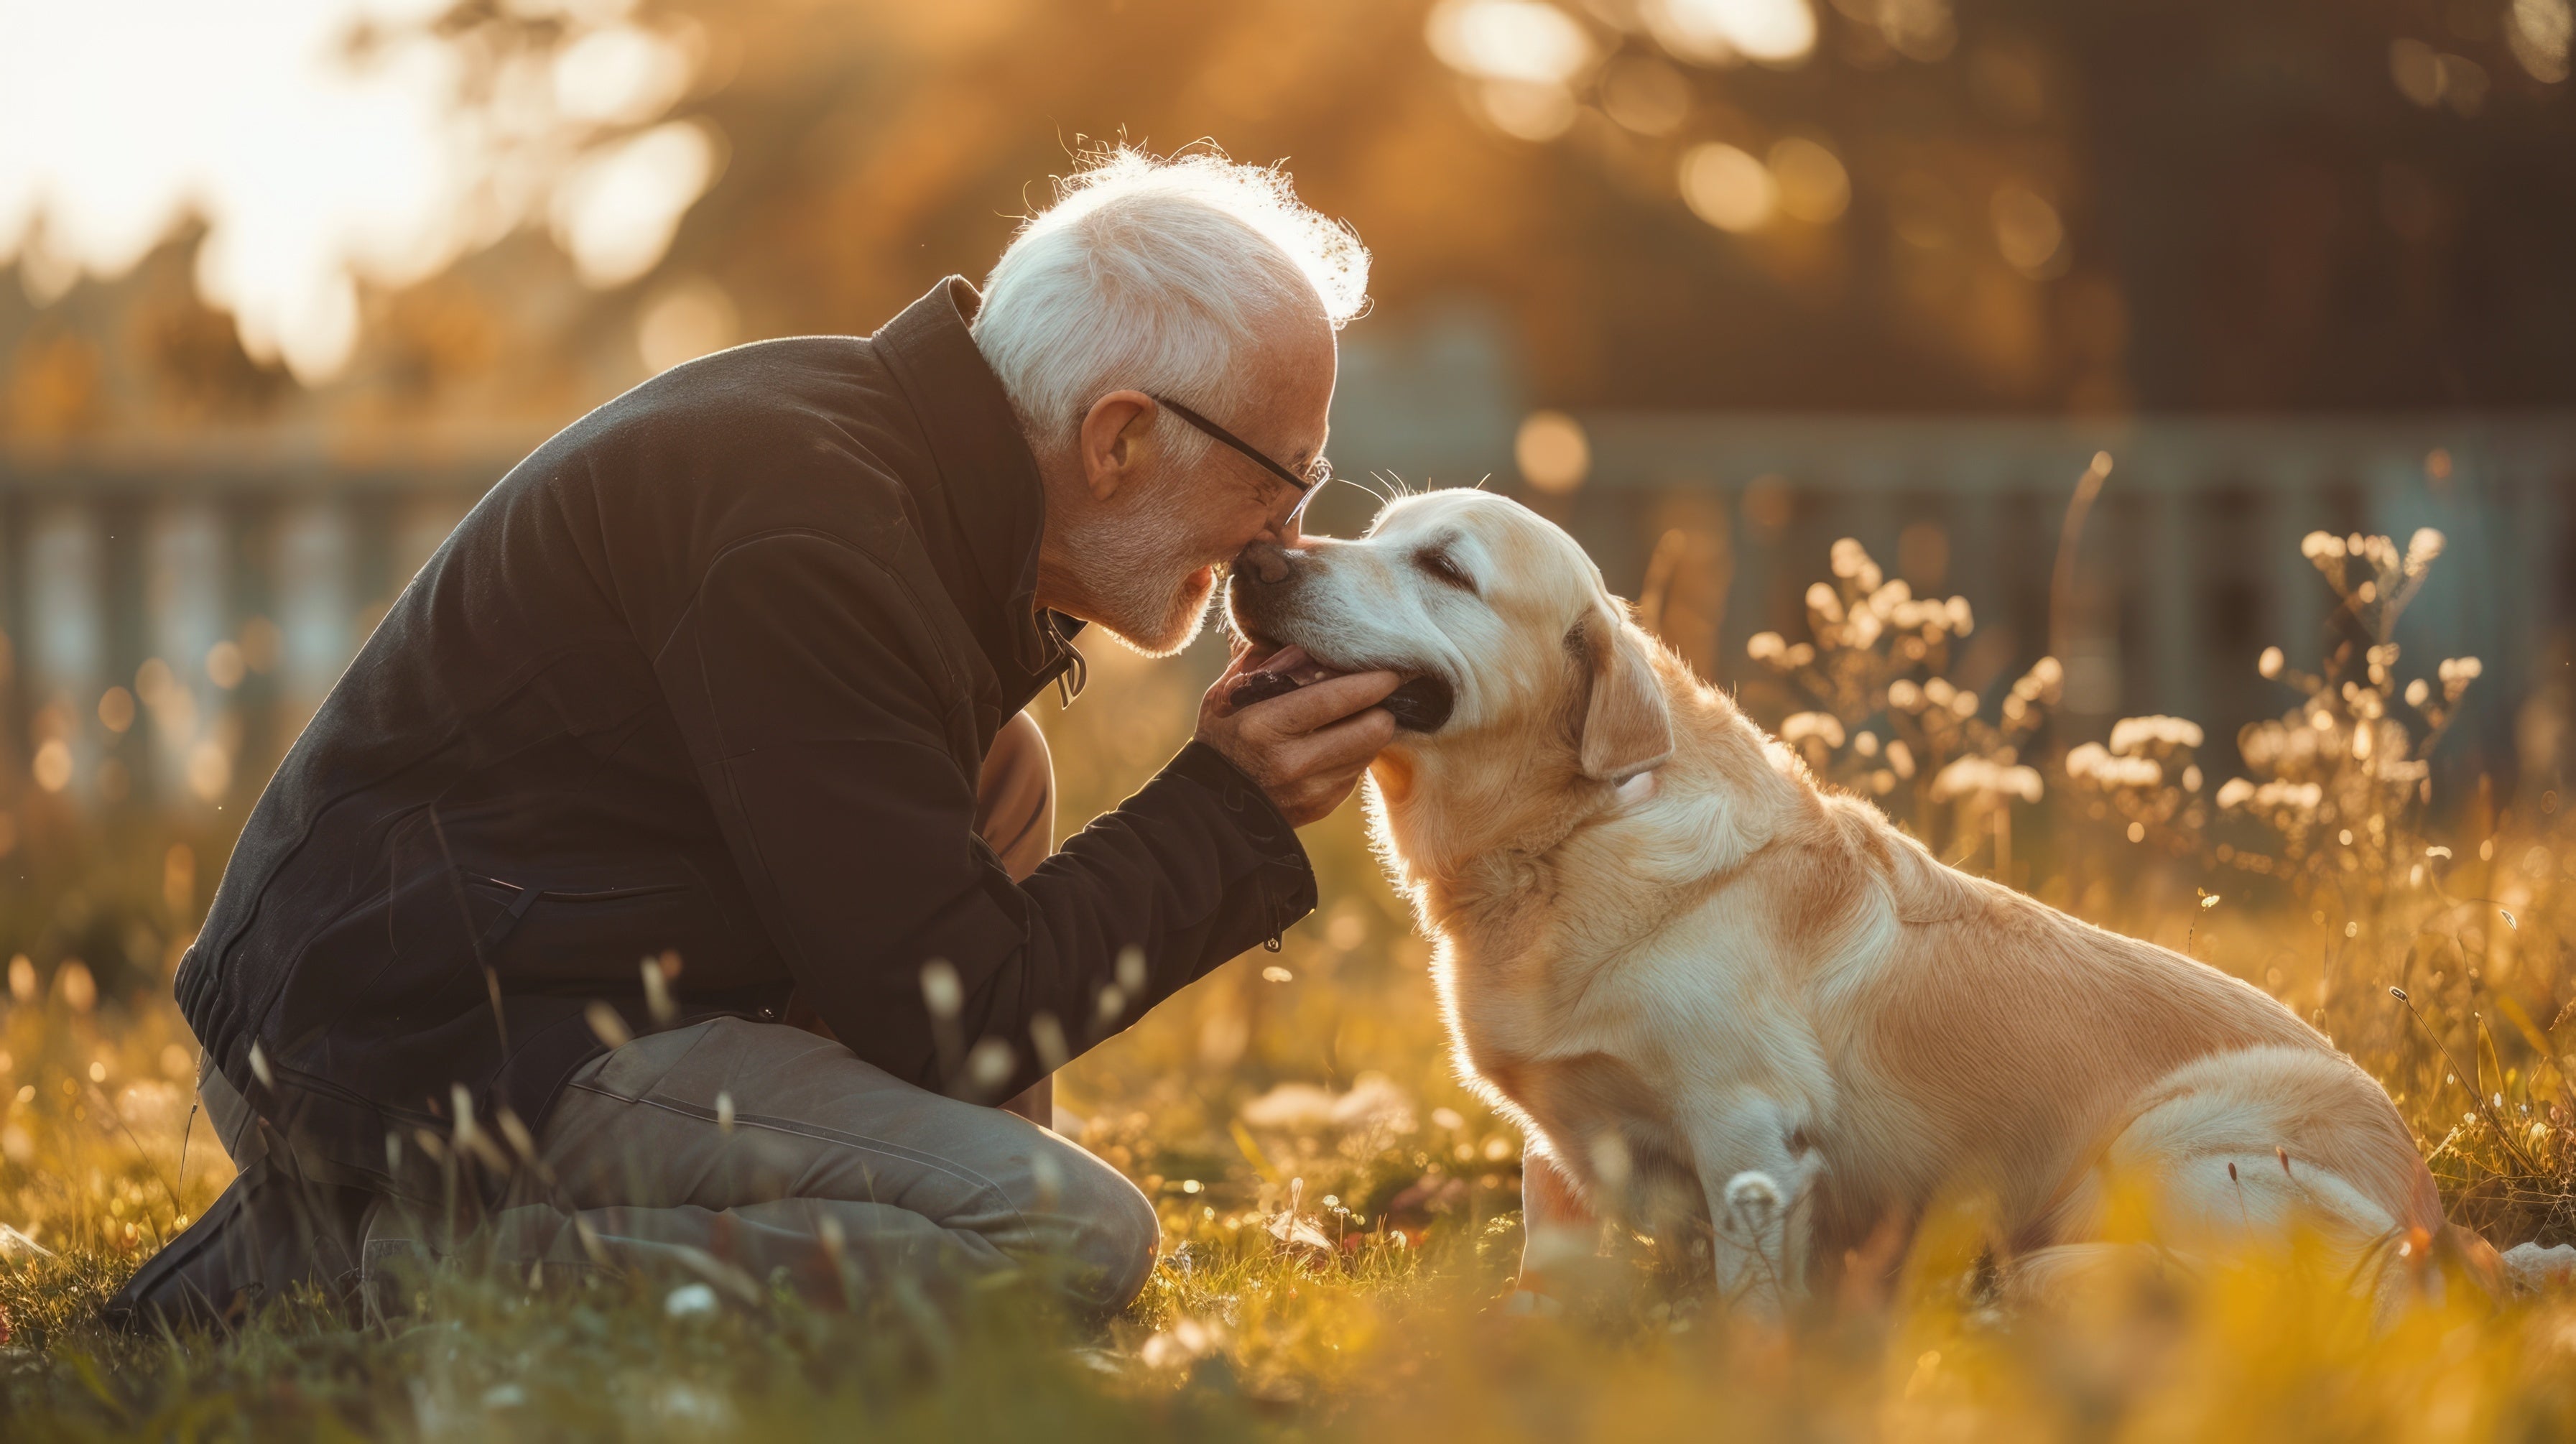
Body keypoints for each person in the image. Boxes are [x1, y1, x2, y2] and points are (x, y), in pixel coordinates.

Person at [110, 147, 1400, 1327]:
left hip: (525, 971)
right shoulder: (808, 542)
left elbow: (926, 990)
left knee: (1000, 768)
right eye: (1281, 476)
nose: (1283, 536)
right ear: (1117, 435)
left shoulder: (883, 463)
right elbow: (951, 1016)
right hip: (422, 1047)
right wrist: (1226, 808)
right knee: (1066, 1235)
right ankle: (383, 1264)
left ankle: (922, 1228)